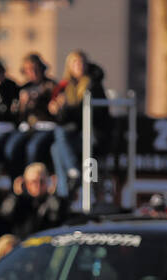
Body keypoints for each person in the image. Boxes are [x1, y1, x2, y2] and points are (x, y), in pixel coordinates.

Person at [49, 50, 106, 198]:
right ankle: (65, 192)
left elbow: (84, 113)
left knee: (60, 134)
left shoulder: (92, 85)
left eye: (82, 62)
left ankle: (74, 173)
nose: (79, 66)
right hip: (76, 135)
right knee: (56, 148)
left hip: (91, 134)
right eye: (75, 63)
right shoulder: (65, 87)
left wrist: (66, 108)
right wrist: (57, 110)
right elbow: (64, 120)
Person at [2, 53, 56, 180]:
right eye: (29, 70)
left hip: (46, 127)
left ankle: (34, 179)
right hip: (28, 127)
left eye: (36, 69)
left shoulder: (51, 86)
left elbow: (56, 112)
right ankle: (17, 180)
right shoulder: (23, 88)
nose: (33, 73)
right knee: (11, 146)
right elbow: (16, 116)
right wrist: (22, 105)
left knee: (33, 147)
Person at [0, 162, 70, 239]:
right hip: (24, 245)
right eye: (33, 182)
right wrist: (15, 195)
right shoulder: (19, 201)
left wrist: (52, 193)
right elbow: (5, 214)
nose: (38, 185)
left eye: (42, 181)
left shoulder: (54, 200)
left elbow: (57, 216)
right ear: (26, 183)